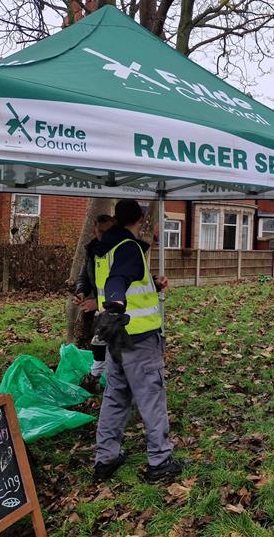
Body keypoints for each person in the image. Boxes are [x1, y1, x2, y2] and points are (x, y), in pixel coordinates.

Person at [92, 199, 181, 483]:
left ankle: (106, 458)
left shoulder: (104, 248)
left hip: (115, 337)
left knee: (115, 398)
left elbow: (123, 280)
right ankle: (160, 461)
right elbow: (117, 281)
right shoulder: (128, 247)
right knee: (151, 398)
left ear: (117, 217)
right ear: (141, 219)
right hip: (139, 339)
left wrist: (152, 284)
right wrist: (116, 303)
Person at [73, 213, 115, 393]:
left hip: (118, 309)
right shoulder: (92, 250)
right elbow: (84, 275)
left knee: (110, 345)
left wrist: (97, 303)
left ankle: (97, 378)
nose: (104, 235)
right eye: (100, 231)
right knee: (99, 343)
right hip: (102, 309)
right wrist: (81, 292)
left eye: (108, 231)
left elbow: (125, 288)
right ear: (94, 230)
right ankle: (96, 377)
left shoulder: (120, 251)